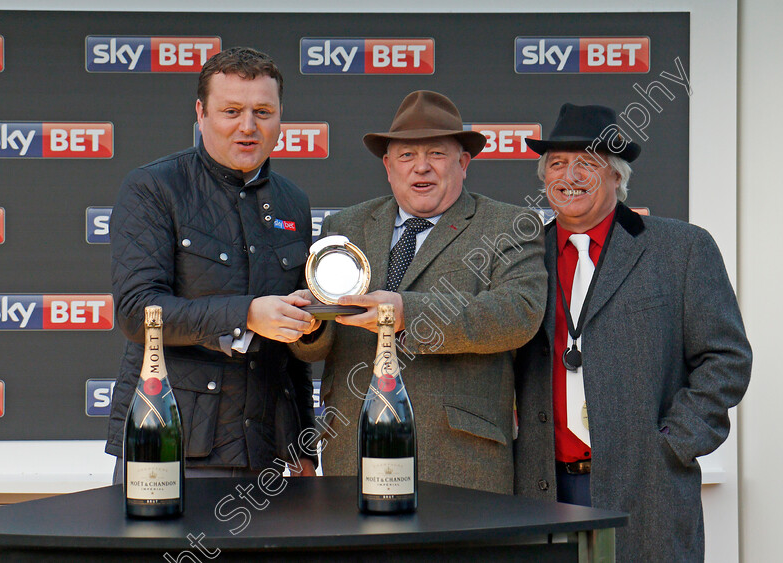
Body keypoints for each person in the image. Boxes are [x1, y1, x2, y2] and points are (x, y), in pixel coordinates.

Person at [513, 103, 752, 561]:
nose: (570, 175)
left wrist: (673, 442)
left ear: (617, 176)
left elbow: (726, 358)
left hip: (647, 486)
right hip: (541, 486)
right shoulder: (521, 256)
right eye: (557, 164)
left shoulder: (681, 248)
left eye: (588, 163)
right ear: (544, 179)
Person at [291, 90, 547, 494]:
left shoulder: (509, 224)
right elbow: (317, 345)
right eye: (407, 156)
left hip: (459, 461)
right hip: (351, 453)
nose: (421, 168)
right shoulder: (346, 225)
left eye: (437, 154)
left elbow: (518, 315)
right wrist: (306, 324)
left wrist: (405, 311)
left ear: (464, 163)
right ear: (388, 167)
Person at [107, 47, 317, 479]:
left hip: (271, 450)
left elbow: (294, 348)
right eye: (231, 111)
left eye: (263, 111)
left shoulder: (294, 201)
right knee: (166, 551)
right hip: (173, 443)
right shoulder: (153, 188)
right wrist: (247, 314)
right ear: (201, 113)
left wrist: (303, 444)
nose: (248, 126)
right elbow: (136, 312)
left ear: (281, 116)